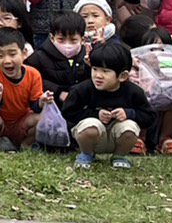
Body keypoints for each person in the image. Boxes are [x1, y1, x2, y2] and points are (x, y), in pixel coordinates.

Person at [62, 38, 154, 169]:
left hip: (117, 137)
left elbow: (150, 117)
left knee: (129, 127)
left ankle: (119, 156)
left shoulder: (133, 91)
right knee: (90, 125)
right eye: (95, 69)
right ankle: (86, 154)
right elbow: (68, 112)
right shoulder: (83, 89)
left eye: (105, 71)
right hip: (91, 137)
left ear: (122, 76)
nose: (98, 75)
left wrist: (129, 113)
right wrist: (95, 114)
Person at [0, 27, 51, 152]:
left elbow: (35, 106)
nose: (7, 60)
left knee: (44, 117)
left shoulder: (33, 74)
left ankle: (26, 144)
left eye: (12, 54)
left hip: (22, 121)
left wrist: (42, 101)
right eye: (0, 55)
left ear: (24, 53)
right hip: (0, 122)